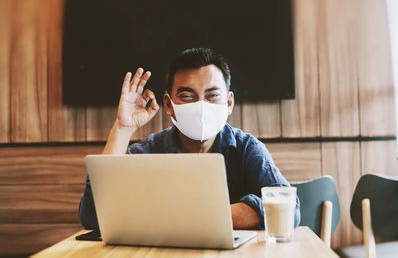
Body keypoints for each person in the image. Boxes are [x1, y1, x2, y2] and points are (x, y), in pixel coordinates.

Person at [79, 48, 300, 230]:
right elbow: (93, 215)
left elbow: (290, 209)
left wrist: (191, 216)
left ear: (229, 103)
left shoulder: (246, 149)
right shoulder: (148, 152)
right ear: (168, 105)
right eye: (186, 96)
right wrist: (122, 129)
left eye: (212, 95)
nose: (201, 106)